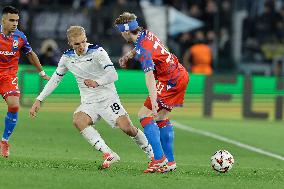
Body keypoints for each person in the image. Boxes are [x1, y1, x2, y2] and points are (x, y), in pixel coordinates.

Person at [29, 26, 153, 170]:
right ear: (70, 43)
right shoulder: (67, 58)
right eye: (77, 44)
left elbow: (114, 75)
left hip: (108, 98)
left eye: (83, 42)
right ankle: (108, 153)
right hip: (89, 102)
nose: (81, 46)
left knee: (128, 128)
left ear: (86, 38)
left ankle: (153, 155)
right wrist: (39, 99)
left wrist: (97, 82)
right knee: (78, 120)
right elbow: (55, 79)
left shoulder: (98, 52)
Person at [115, 12, 189, 173]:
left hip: (169, 80)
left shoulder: (144, 51)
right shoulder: (146, 33)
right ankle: (170, 162)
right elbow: (142, 46)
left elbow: (149, 76)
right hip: (180, 74)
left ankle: (158, 159)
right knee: (161, 118)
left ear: (127, 31)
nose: (121, 34)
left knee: (144, 115)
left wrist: (154, 100)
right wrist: (129, 54)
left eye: (121, 31)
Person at [0, 6, 50, 158]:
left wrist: (41, 72)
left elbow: (30, 53)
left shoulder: (20, 37)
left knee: (14, 105)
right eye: (11, 20)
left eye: (17, 20)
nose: (15, 23)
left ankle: (4, 141)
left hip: (8, 76)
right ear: (3, 20)